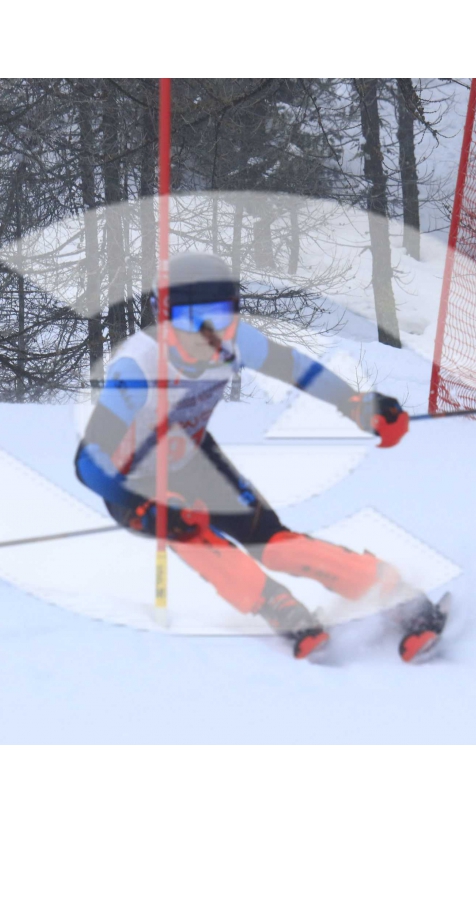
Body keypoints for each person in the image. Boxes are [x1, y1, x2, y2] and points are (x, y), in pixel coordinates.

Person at [74, 253, 446, 661]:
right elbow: (88, 463)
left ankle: (395, 594)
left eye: (219, 317)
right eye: (189, 320)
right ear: (163, 318)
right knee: (192, 535)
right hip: (131, 484)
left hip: (190, 458)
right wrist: (146, 507)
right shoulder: (137, 369)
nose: (207, 334)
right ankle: (280, 609)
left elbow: (296, 369)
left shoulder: (233, 342)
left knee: (274, 544)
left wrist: (355, 403)